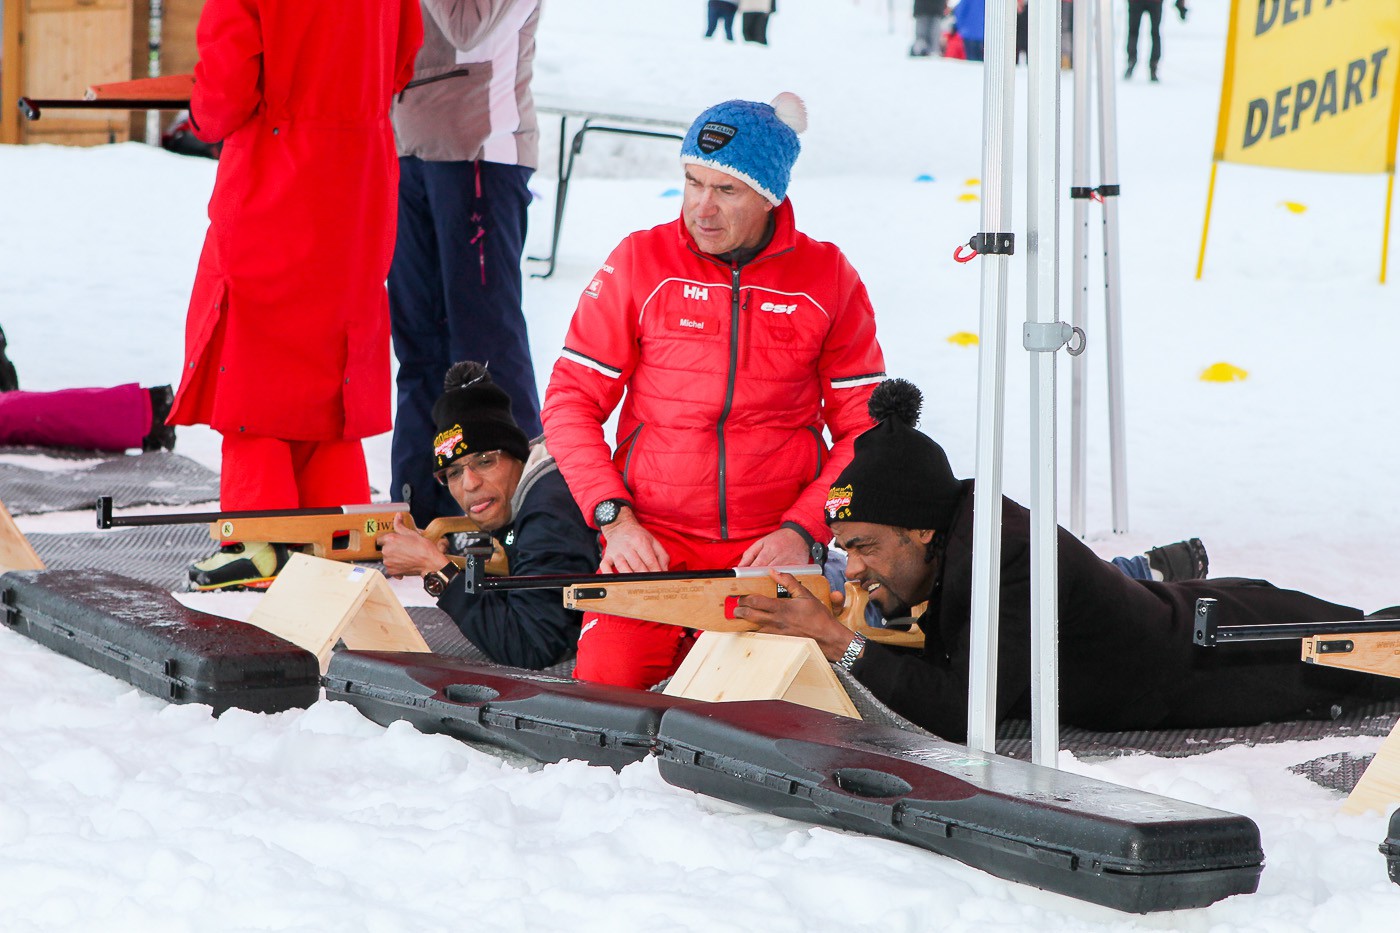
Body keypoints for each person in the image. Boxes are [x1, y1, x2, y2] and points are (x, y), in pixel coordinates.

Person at [736, 379, 1400, 741]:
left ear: (920, 530)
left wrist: (836, 640)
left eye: (864, 547)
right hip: (1200, 620)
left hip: (1229, 653)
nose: (851, 569)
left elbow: (965, 712)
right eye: (845, 550)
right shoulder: (960, 533)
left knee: (1382, 652)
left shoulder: (1002, 555)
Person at [541, 92, 887, 690]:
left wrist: (803, 530)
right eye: (692, 182)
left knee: (750, 709)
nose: (702, 207)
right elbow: (570, 401)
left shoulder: (827, 277)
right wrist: (614, 519)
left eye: (726, 190)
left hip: (769, 549)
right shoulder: (638, 261)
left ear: (769, 196)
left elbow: (866, 429)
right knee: (607, 692)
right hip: (652, 543)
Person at [171, 0, 423, 591]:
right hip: (361, 171)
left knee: (253, 351)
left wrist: (201, 110)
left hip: (276, 168)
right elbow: (404, 60)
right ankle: (334, 529)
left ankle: (260, 538)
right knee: (331, 346)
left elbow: (223, 95)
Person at [389, 0, 544, 531]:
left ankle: (528, 514)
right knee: (417, 345)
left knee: (485, 350)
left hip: (479, 147)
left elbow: (468, 27)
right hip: (408, 142)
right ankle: (418, 503)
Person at [378, 362, 598, 669]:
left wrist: (436, 568)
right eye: (452, 473)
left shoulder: (548, 515)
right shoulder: (533, 491)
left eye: (484, 462)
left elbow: (532, 648)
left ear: (516, 456)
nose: (469, 484)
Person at [1125, 0, 1182, 82]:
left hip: (1137, 2)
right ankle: (1153, 65)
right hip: (1155, 2)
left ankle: (1132, 60)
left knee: (1134, 32)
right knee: (1155, 33)